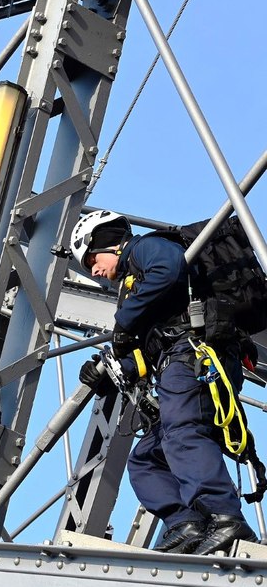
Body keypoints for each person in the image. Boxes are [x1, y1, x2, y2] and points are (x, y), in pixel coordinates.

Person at [72, 209, 257, 555]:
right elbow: (150, 349)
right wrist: (109, 372)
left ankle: (224, 515)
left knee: (183, 431)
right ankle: (186, 522)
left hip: (192, 359)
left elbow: (169, 267)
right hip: (178, 360)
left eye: (91, 259)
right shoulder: (138, 287)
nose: (93, 270)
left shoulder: (144, 249)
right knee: (147, 458)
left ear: (106, 242)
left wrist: (124, 324)